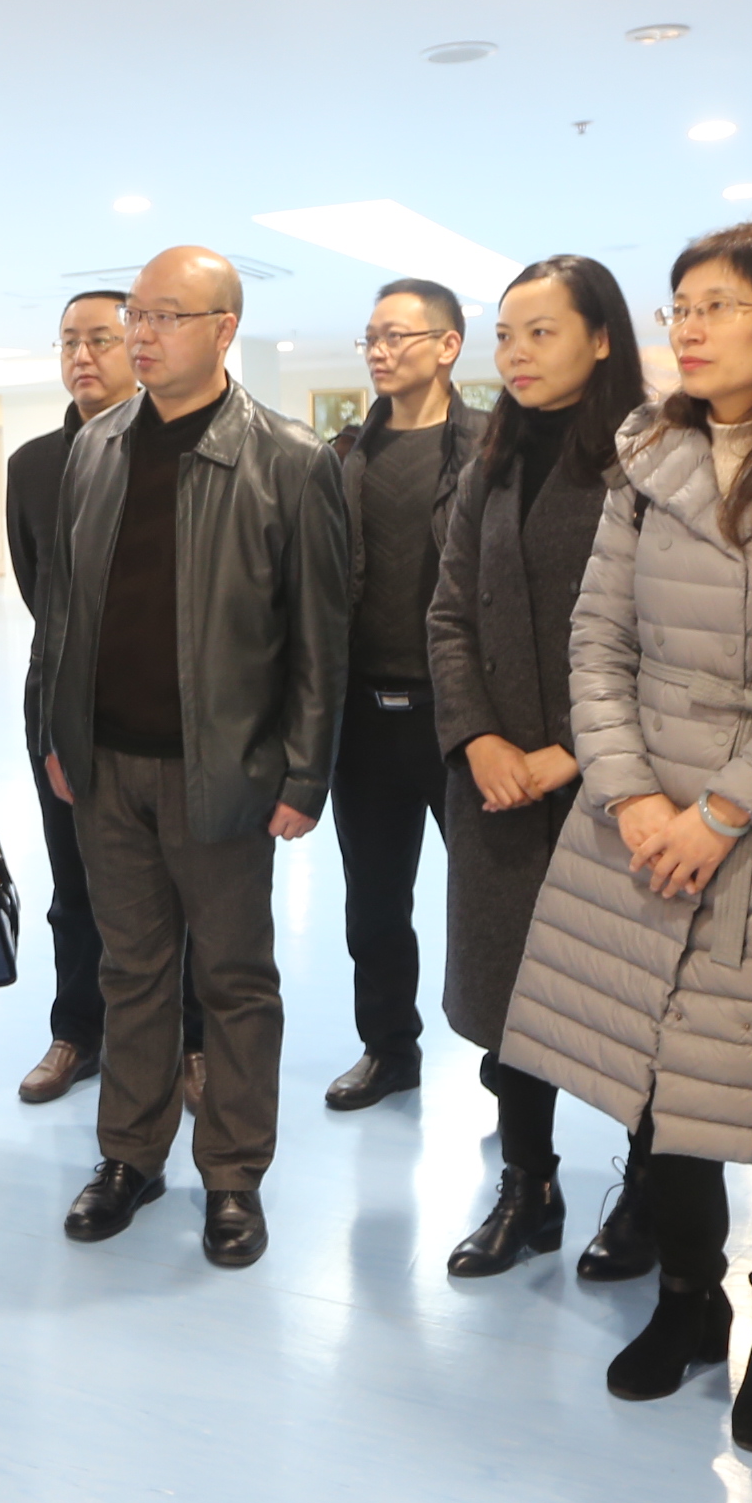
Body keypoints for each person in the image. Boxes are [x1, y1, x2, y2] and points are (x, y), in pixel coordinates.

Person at [501, 221, 752, 1454]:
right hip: (639, 822)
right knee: (654, 1086)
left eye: (721, 305)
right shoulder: (647, 453)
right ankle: (687, 1299)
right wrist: (632, 795)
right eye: (680, 304)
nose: (688, 326)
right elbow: (597, 641)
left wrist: (723, 809)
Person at [31, 244, 350, 1269]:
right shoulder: (96, 447)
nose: (140, 333)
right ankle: (130, 1155)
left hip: (224, 771)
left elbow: (320, 637)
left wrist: (305, 773)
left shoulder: (289, 458)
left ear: (224, 329)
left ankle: (234, 1172)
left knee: (234, 978)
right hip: (105, 765)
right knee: (130, 970)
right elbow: (63, 612)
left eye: (165, 315)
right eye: (136, 313)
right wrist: (57, 734)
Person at [423, 256, 657, 1280]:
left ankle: (649, 1192)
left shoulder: (656, 458)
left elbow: (673, 635)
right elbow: (447, 614)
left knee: (634, 999)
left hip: (620, 783)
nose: (515, 354)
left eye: (541, 332)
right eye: (504, 335)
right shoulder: (494, 459)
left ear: (602, 339)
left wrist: (573, 751)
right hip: (499, 786)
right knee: (512, 1000)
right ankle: (529, 1188)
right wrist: (478, 737)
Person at [2, 289, 207, 1104]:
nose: (82, 357)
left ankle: (193, 1042)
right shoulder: (33, 467)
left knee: (184, 887)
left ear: (140, 347)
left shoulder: (183, 450)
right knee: (75, 885)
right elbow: (39, 589)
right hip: (64, 710)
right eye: (68, 343)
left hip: (171, 712)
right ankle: (77, 1033)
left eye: (100, 340)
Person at [322, 277, 491, 1112]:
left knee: (490, 904)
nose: (381, 352)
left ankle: (510, 1065)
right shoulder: (345, 457)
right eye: (372, 338)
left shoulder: (492, 450)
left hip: (464, 720)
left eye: (398, 336)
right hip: (363, 719)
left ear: (448, 346)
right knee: (374, 905)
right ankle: (389, 1049)